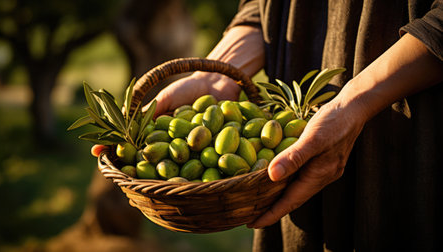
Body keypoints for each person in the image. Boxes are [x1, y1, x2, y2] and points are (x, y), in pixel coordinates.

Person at [94, 0, 443, 251]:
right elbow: (265, 9)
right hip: (299, 144)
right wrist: (216, 74)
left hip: (406, 126)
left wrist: (355, 103)